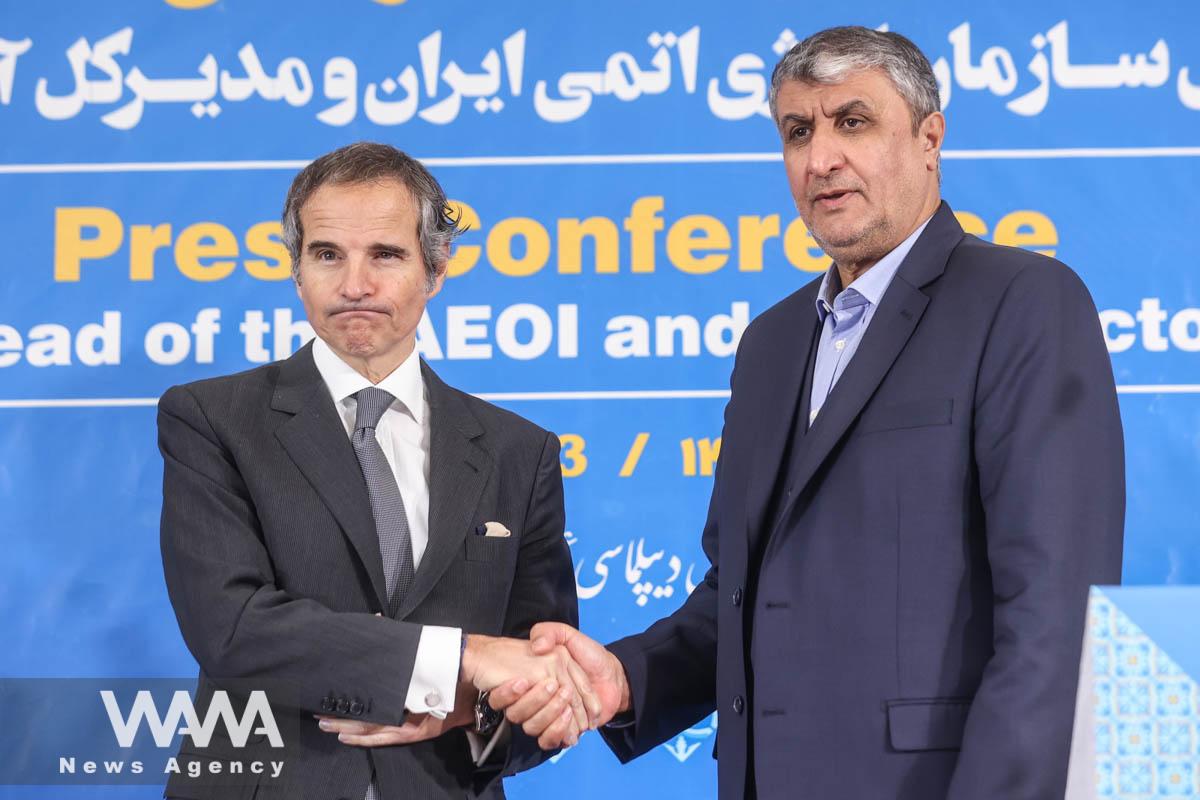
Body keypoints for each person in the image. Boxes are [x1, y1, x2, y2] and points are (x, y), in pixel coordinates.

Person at [489, 26, 1126, 799]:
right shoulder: (772, 344)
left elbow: (1055, 624)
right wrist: (624, 678)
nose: (821, 157)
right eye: (798, 131)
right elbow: (742, 599)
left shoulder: (1023, 303)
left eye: (852, 122)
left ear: (930, 138)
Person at [158, 142, 593, 800]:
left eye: (385, 255)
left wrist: (483, 712)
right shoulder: (211, 420)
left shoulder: (517, 450)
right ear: (296, 270)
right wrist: (462, 660)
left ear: (435, 268)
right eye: (327, 254)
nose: (354, 284)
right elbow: (233, 629)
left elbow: (534, 673)